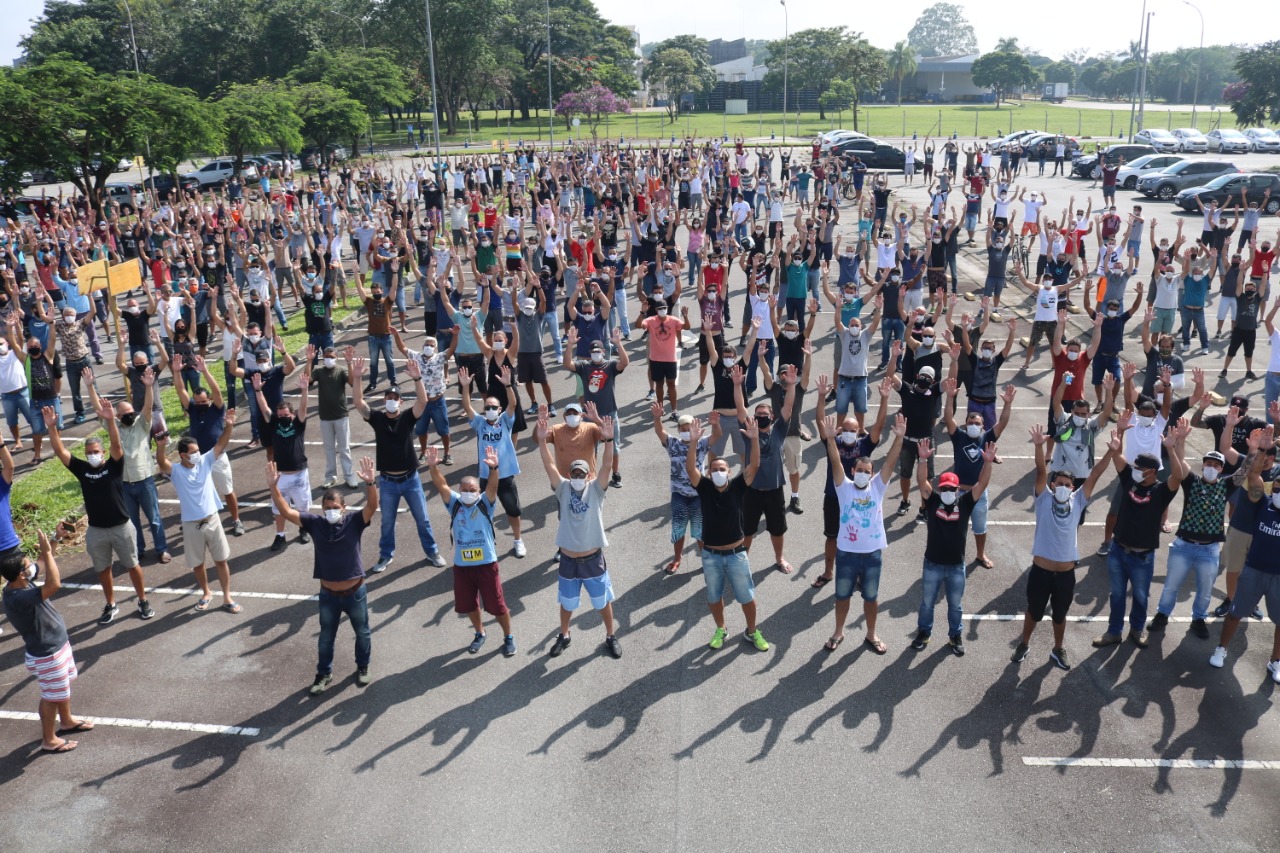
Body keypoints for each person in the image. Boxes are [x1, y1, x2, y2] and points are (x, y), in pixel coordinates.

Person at [269, 456, 379, 695]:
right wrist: (273, 487)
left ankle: (362, 667)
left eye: (335, 508)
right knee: (326, 636)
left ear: (344, 508)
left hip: (355, 592)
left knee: (362, 632)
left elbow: (372, 507)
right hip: (328, 594)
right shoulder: (314, 523)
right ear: (321, 509)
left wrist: (371, 484)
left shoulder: (354, 522)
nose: (331, 512)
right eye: (327, 508)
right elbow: (286, 511)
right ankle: (323, 674)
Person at [45, 395, 151, 625]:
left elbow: (115, 444)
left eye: (96, 451)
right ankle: (111, 604)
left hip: (122, 526)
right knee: (103, 570)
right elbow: (61, 451)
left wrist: (111, 420)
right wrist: (53, 428)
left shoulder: (114, 465)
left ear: (103, 453)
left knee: (132, 565)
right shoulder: (83, 470)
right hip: (96, 530)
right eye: (89, 452)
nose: (93, 455)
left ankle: (142, 600)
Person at [536, 410, 621, 659]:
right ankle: (564, 635)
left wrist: (608, 439)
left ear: (589, 476)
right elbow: (549, 464)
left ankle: (610, 635)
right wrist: (542, 440)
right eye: (574, 474)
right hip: (568, 560)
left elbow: (606, 464)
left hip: (593, 559)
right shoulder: (562, 489)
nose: (577, 478)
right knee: (567, 602)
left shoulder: (596, 490)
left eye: (581, 474)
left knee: (602, 601)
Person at [351, 356, 447, 573]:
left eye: (395, 398)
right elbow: (358, 403)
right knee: (386, 523)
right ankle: (386, 556)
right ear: (384, 401)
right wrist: (357, 377)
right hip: (387, 481)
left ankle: (432, 551)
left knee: (422, 519)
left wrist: (417, 378)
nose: (391, 400)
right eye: (388, 398)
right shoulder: (377, 418)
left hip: (410, 479)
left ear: (401, 402)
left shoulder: (407, 417)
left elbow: (422, 402)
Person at [682, 414, 770, 650]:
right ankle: (721, 629)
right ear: (709, 473)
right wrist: (693, 442)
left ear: (729, 472)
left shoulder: (738, 487)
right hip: (710, 555)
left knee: (747, 597)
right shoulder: (705, 488)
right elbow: (690, 468)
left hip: (736, 554)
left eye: (722, 468)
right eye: (714, 469)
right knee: (713, 597)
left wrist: (753, 440)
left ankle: (752, 631)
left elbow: (754, 466)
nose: (718, 472)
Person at [2, 530, 93, 754]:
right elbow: (54, 584)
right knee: (51, 696)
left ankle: (67, 721)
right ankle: (49, 739)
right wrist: (47, 553)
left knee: (61, 689)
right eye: (27, 566)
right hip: (47, 655)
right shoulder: (19, 597)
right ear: (21, 575)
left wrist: (53, 540)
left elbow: (41, 563)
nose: (31, 567)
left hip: (56, 647)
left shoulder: (19, 582)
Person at [824, 412, 907, 654]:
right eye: (858, 470)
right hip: (847, 553)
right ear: (853, 470)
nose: (862, 473)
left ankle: (871, 634)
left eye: (866, 471)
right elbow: (835, 462)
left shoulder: (878, 487)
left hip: (872, 555)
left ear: (872, 474)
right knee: (842, 596)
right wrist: (831, 440)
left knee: (871, 597)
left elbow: (890, 462)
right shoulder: (844, 487)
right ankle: (838, 632)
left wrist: (899, 438)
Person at [424, 444, 517, 658]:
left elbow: (492, 487)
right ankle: (479, 632)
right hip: (462, 567)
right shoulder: (454, 504)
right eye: (464, 490)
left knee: (497, 605)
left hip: (486, 564)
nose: (467, 494)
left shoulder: (485, 503)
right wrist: (432, 468)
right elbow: (441, 485)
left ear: (478, 492)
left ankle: (508, 637)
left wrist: (494, 469)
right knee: (468, 605)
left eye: (472, 490)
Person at [908, 434, 996, 655]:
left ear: (958, 490)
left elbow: (982, 483)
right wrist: (922, 460)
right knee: (927, 603)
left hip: (956, 565)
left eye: (951, 489)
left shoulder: (965, 503)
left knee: (955, 606)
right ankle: (924, 633)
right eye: (944, 488)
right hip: (933, 564)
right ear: (940, 488)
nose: (947, 493)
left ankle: (955, 637)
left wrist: (987, 462)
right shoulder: (933, 501)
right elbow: (921, 482)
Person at [154, 410, 242, 613]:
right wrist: (160, 447)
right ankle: (206, 593)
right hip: (191, 524)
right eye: (192, 452)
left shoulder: (205, 460)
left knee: (221, 560)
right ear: (183, 455)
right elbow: (162, 463)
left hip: (212, 519)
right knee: (198, 563)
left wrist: (229, 424)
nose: (196, 454)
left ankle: (227, 596)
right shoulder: (175, 471)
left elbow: (221, 443)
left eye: (197, 450)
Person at [1209, 436, 1280, 683]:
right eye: (1277, 488)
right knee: (1235, 610)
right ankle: (1221, 648)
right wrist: (1259, 449)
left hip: (1277, 575)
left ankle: (1276, 661)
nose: (1278, 491)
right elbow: (1253, 475)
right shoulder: (1263, 502)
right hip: (1254, 568)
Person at [84, 365, 170, 565]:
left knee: (155, 518)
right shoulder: (114, 427)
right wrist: (90, 387)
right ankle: (138, 551)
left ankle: (162, 549)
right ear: (118, 416)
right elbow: (100, 410)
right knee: (132, 522)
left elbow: (148, 407)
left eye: (131, 411)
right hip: (124, 484)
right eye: (125, 413)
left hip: (145, 480)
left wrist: (149, 387)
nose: (129, 415)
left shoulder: (142, 423)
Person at [1147, 445, 1228, 641]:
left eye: (1216, 465)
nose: (1211, 467)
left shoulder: (1227, 485)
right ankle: (1162, 614)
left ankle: (1198, 619)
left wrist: (1253, 451)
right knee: (1171, 585)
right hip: (1183, 546)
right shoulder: (1192, 481)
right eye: (1208, 463)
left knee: (1205, 589)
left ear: (1222, 470)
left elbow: (1245, 472)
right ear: (1202, 466)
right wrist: (1178, 442)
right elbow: (1180, 466)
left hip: (1209, 549)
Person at [458, 364, 527, 557]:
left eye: (493, 407)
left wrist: (508, 385)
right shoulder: (479, 423)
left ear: (499, 409)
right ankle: (486, 541)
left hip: (505, 475)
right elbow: (467, 407)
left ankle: (518, 540)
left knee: (513, 510)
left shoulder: (505, 420)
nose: (490, 410)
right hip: (486, 477)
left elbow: (513, 405)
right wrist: (465, 387)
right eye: (487, 407)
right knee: (483, 512)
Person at [173, 356, 245, 536]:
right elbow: (180, 389)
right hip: (197, 459)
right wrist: (176, 372)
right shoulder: (192, 408)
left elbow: (217, 391)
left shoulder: (217, 408)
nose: (200, 405)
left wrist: (204, 371)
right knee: (198, 492)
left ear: (210, 400)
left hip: (217, 457)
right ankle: (199, 519)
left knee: (227, 491)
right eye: (197, 402)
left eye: (203, 402)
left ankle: (236, 521)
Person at [257, 368, 311, 553]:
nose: (283, 418)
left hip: (298, 473)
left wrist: (305, 389)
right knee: (279, 508)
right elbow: (264, 408)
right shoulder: (274, 423)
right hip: (279, 475)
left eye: (286, 415)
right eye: (280, 416)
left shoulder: (298, 423)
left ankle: (304, 528)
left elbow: (303, 408)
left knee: (302, 507)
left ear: (292, 414)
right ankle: (280, 535)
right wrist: (257, 390)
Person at [653, 405, 709, 575]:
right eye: (682, 429)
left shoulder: (702, 443)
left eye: (688, 428)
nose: (685, 431)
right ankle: (677, 558)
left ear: (694, 428)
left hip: (699, 495)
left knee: (699, 530)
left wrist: (716, 424)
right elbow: (659, 431)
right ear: (678, 429)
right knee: (678, 528)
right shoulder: (673, 444)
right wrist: (657, 418)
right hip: (679, 495)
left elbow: (718, 435)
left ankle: (706, 560)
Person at [311, 345, 359, 489]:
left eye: (332, 357)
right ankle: (330, 477)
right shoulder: (318, 371)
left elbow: (351, 381)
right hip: (325, 417)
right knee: (329, 448)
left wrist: (350, 363)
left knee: (344, 448)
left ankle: (349, 476)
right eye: (326, 357)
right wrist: (308, 361)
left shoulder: (341, 370)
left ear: (336, 358)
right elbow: (307, 381)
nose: (329, 359)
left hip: (341, 415)